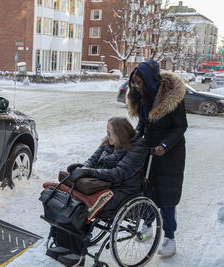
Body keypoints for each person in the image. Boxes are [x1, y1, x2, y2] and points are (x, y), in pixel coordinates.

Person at [47, 117, 148, 266]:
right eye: (106, 132)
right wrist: (83, 168)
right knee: (67, 199)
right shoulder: (108, 142)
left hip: (122, 191)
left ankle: (76, 253)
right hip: (100, 185)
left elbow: (118, 173)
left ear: (120, 134)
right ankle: (64, 244)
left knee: (79, 208)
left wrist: (91, 172)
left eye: (110, 133)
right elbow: (92, 159)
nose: (107, 136)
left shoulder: (137, 148)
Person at [126, 60, 188, 257]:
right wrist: (133, 138)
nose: (137, 86)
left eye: (139, 82)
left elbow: (181, 126)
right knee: (148, 190)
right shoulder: (143, 96)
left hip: (171, 154)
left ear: (150, 80)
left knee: (166, 196)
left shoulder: (172, 97)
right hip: (150, 151)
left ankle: (170, 237)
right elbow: (143, 125)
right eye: (134, 83)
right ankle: (148, 225)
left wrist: (165, 145)